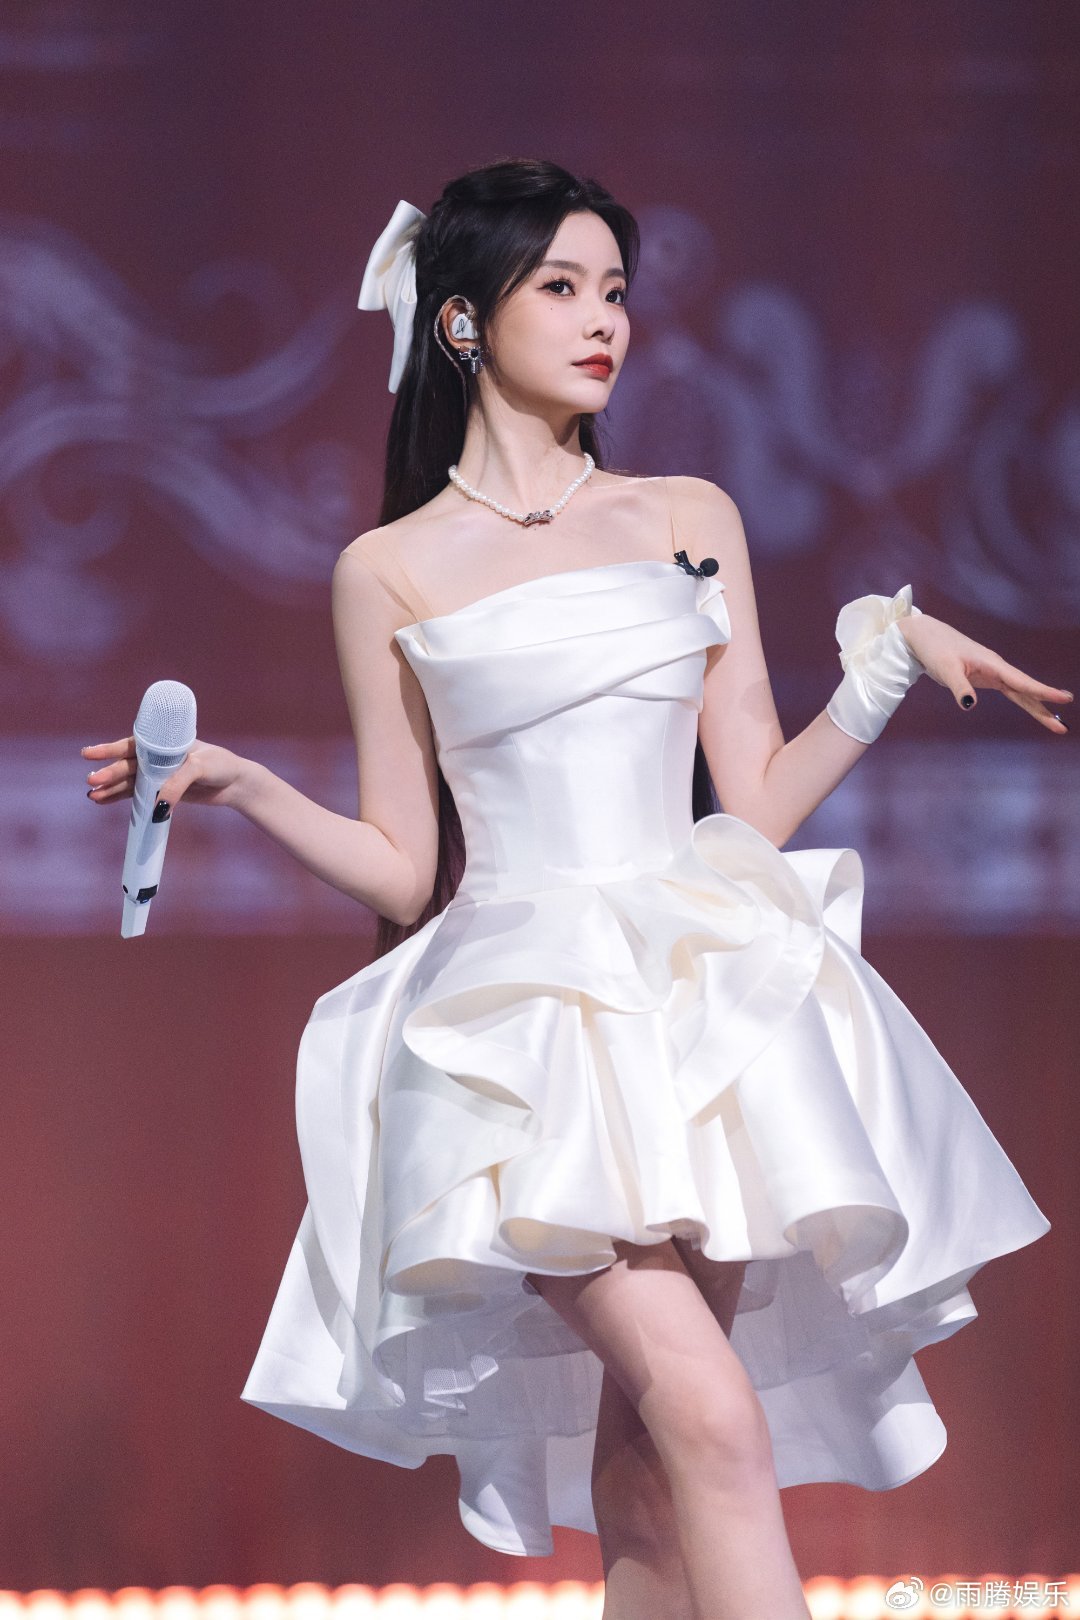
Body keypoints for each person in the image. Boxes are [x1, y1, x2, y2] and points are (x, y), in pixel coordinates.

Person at [81, 159, 1071, 1620]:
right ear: (464, 320)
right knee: (715, 1422)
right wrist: (245, 786)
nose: (604, 318)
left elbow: (752, 800)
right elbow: (406, 865)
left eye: (615, 289)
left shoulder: (685, 512)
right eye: (561, 286)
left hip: (696, 1006)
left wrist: (886, 667)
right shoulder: (390, 567)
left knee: (653, 1466)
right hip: (526, 1034)